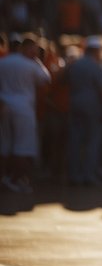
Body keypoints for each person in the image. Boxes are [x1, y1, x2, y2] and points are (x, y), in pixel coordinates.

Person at [0, 34, 52, 193]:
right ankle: (14, 179)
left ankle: (6, 177)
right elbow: (46, 79)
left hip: (4, 106)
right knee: (23, 147)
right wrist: (37, 61)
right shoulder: (31, 64)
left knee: (6, 145)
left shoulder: (4, 62)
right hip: (24, 109)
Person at [65, 35, 102, 186]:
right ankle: (89, 175)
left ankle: (74, 174)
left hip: (74, 103)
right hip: (92, 106)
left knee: (75, 140)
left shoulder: (75, 64)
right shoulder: (96, 66)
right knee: (93, 141)